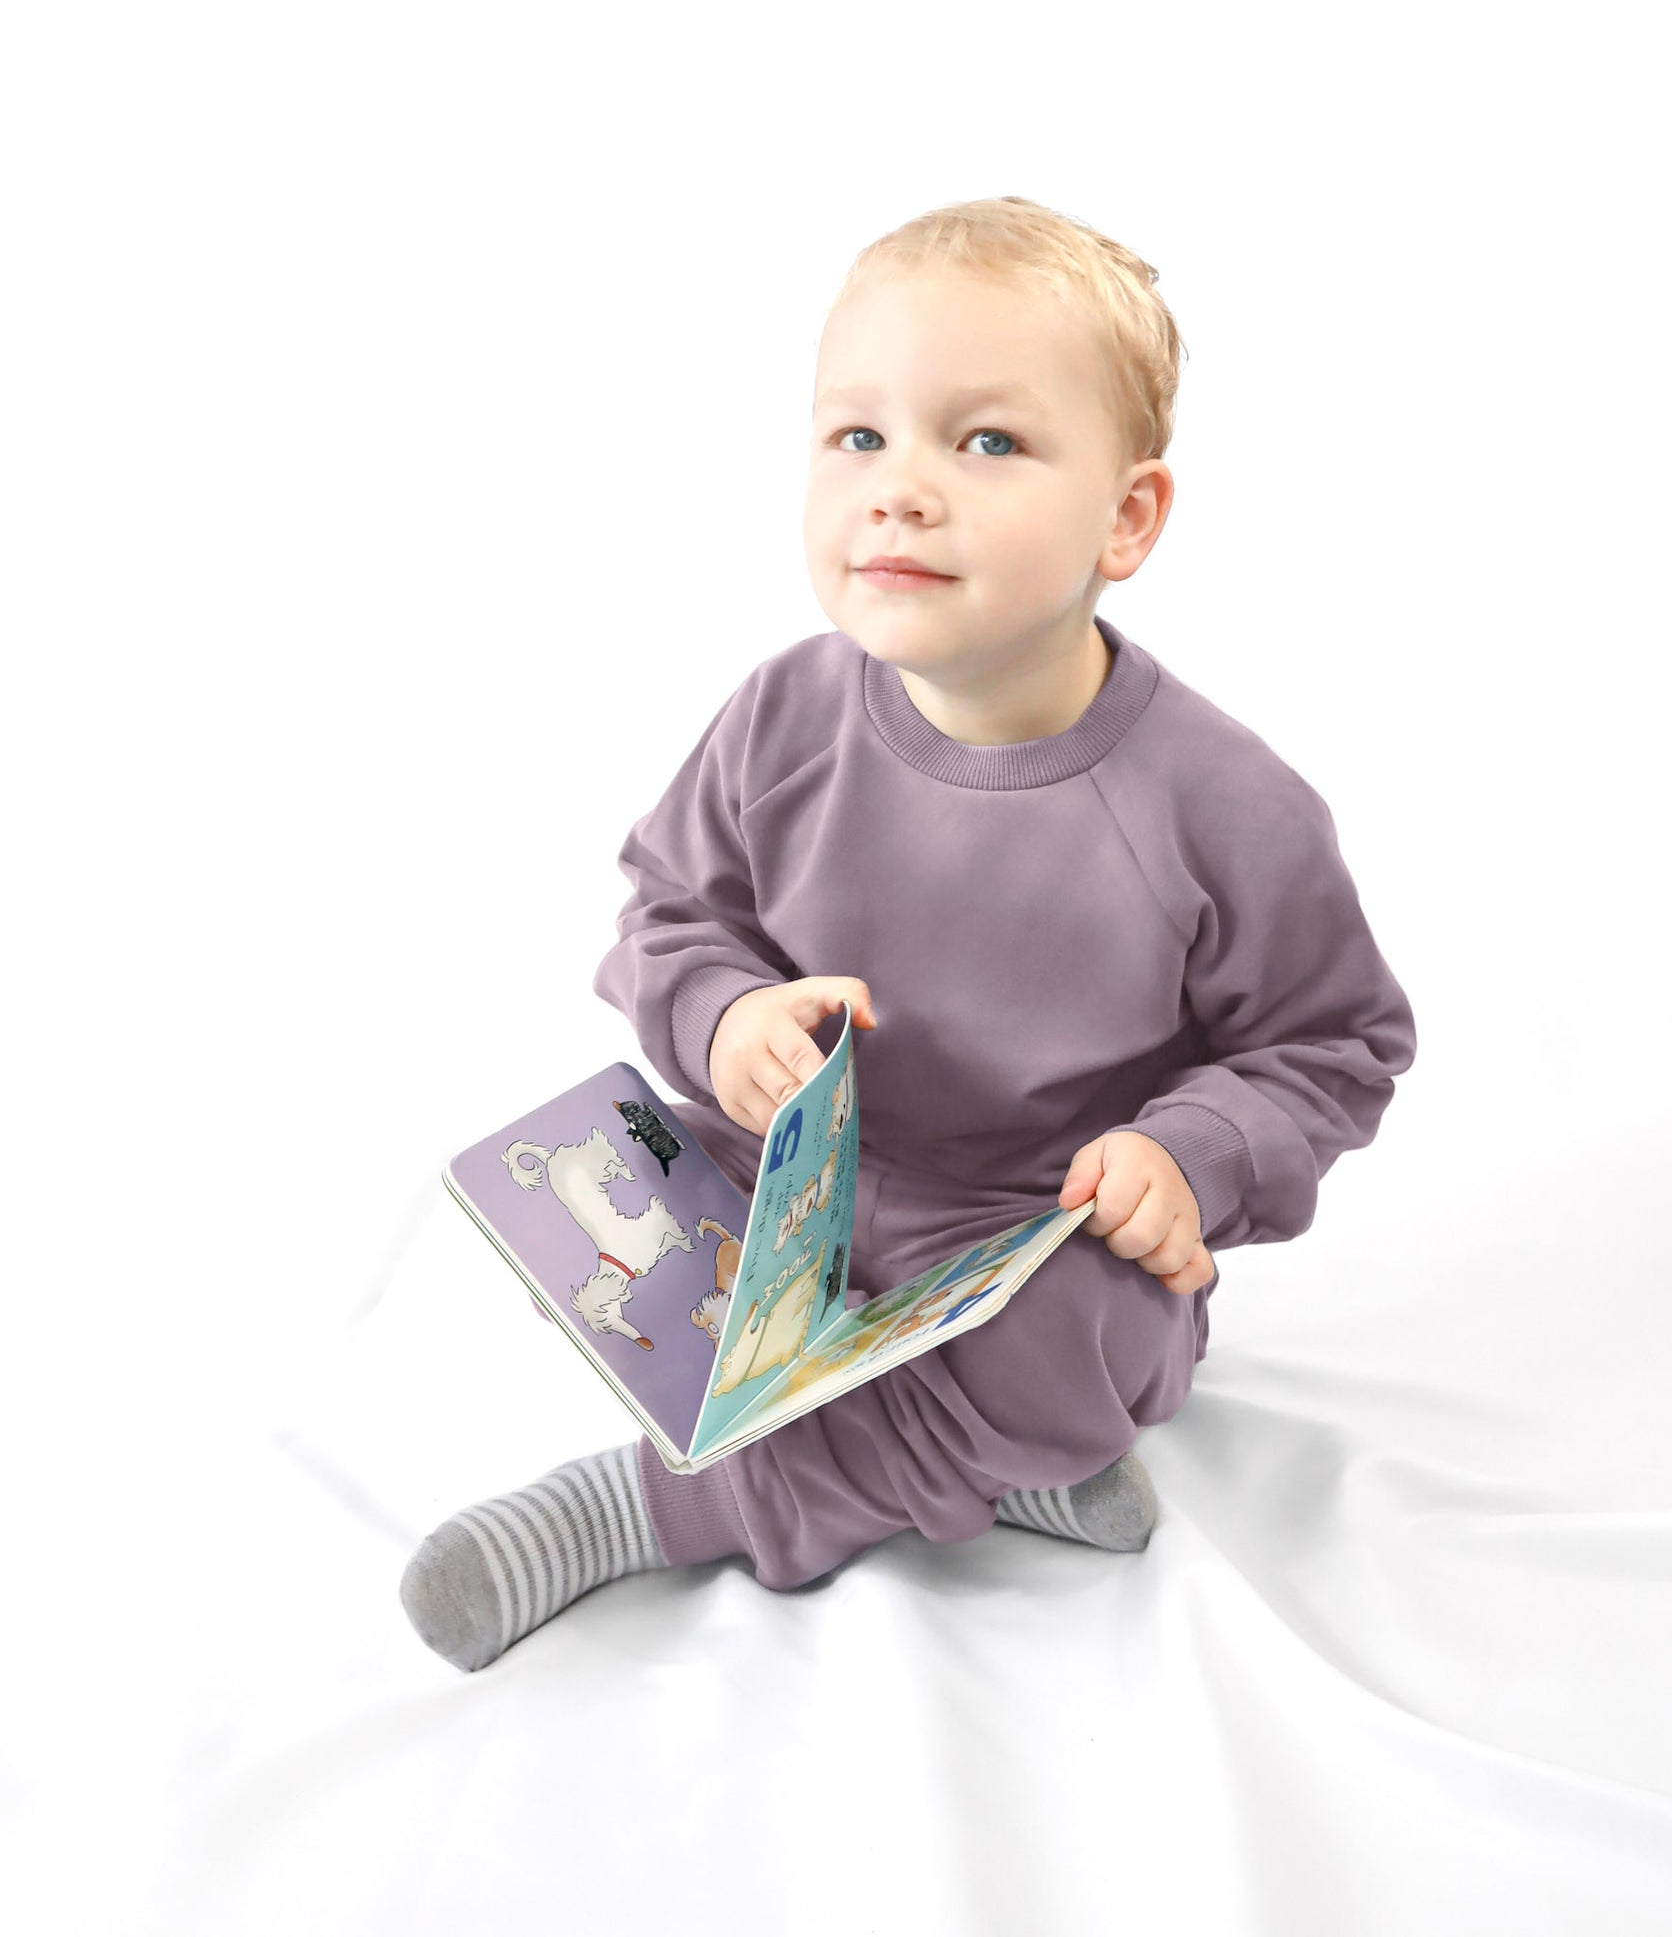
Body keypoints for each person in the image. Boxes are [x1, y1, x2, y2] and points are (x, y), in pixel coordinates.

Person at [401, 195, 1417, 1671]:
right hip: (793, 1185)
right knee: (598, 1182)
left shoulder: (1217, 803)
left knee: (1101, 1337)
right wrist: (725, 1018)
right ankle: (996, 1468)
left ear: (1125, 517)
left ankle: (647, 1512)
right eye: (856, 437)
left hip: (1015, 1224)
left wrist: (1183, 1155)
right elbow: (671, 910)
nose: (900, 490)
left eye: (987, 441)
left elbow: (1334, 1044)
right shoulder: (782, 715)